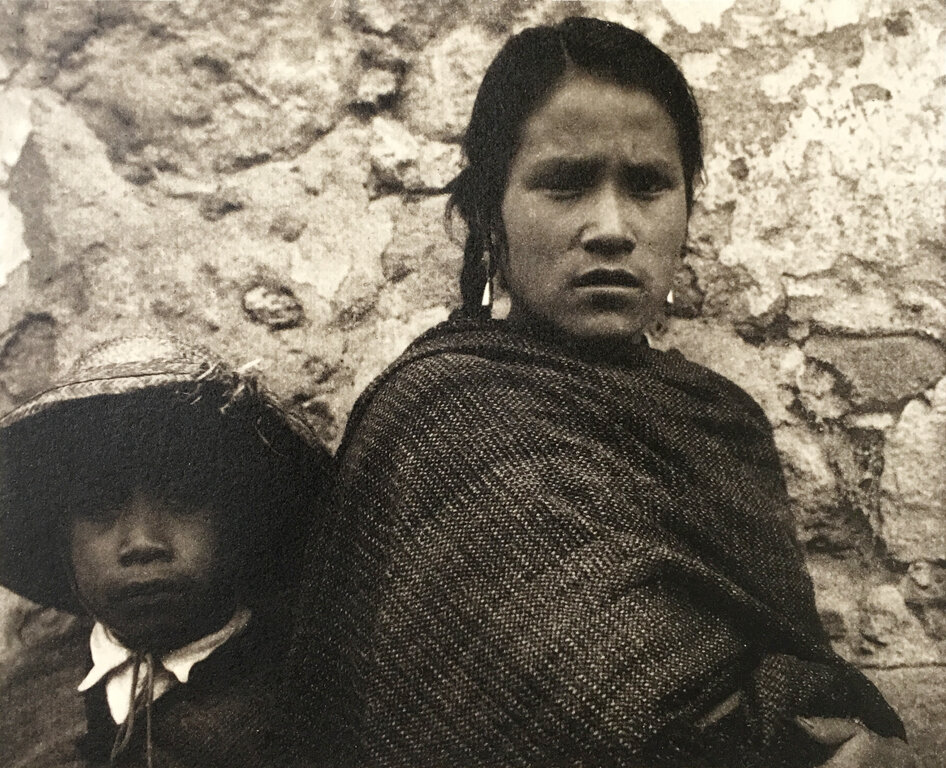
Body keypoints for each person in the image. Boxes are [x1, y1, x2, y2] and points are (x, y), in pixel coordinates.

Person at [288, 16, 915, 768]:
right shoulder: (438, 420)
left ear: (687, 208)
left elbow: (798, 674)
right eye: (564, 183)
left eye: (649, 186)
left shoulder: (722, 422)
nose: (613, 228)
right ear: (492, 209)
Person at [0, 335, 331, 768]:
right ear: (61, 537)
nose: (141, 543)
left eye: (183, 497)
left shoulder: (309, 698)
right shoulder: (24, 705)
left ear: (238, 520)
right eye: (100, 505)